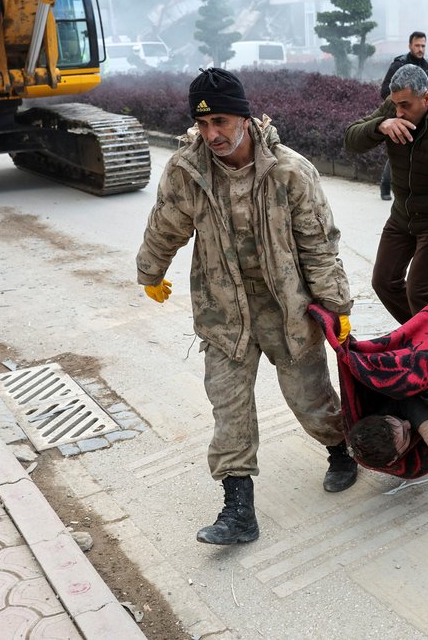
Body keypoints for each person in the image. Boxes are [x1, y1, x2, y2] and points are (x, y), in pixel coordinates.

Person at [137, 68, 358, 546]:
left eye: (220, 121)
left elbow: (319, 244)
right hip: (223, 312)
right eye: (203, 124)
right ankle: (238, 510)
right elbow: (166, 224)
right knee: (229, 407)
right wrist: (150, 271)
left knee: (311, 400)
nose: (212, 134)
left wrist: (336, 303)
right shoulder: (187, 171)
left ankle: (340, 449)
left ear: (244, 116)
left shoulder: (289, 171)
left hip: (287, 310)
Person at [344, 64, 428, 325]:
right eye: (395, 105)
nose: (399, 112)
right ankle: (425, 337)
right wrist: (381, 125)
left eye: (405, 105)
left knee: (419, 292)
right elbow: (351, 138)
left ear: (426, 98)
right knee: (383, 281)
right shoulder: (392, 109)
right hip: (402, 215)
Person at [347, 395, 428, 477]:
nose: (408, 424)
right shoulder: (401, 462)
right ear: (394, 459)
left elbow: (408, 404)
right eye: (405, 435)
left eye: (395, 419)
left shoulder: (379, 408)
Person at [378, 32, 428, 201]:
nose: (420, 49)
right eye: (417, 45)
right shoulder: (399, 65)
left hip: (420, 118)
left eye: (423, 46)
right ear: (410, 46)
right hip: (400, 117)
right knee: (399, 151)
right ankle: (386, 185)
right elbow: (385, 91)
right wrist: (401, 106)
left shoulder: (426, 67)